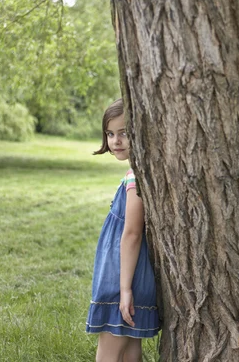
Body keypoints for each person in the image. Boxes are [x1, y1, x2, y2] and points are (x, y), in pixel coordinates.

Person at [86, 99, 160, 362]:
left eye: (124, 133)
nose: (116, 141)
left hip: (122, 278)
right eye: (110, 133)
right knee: (130, 353)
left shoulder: (135, 177)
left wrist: (124, 289)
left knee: (107, 354)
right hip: (133, 276)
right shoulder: (141, 171)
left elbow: (132, 233)